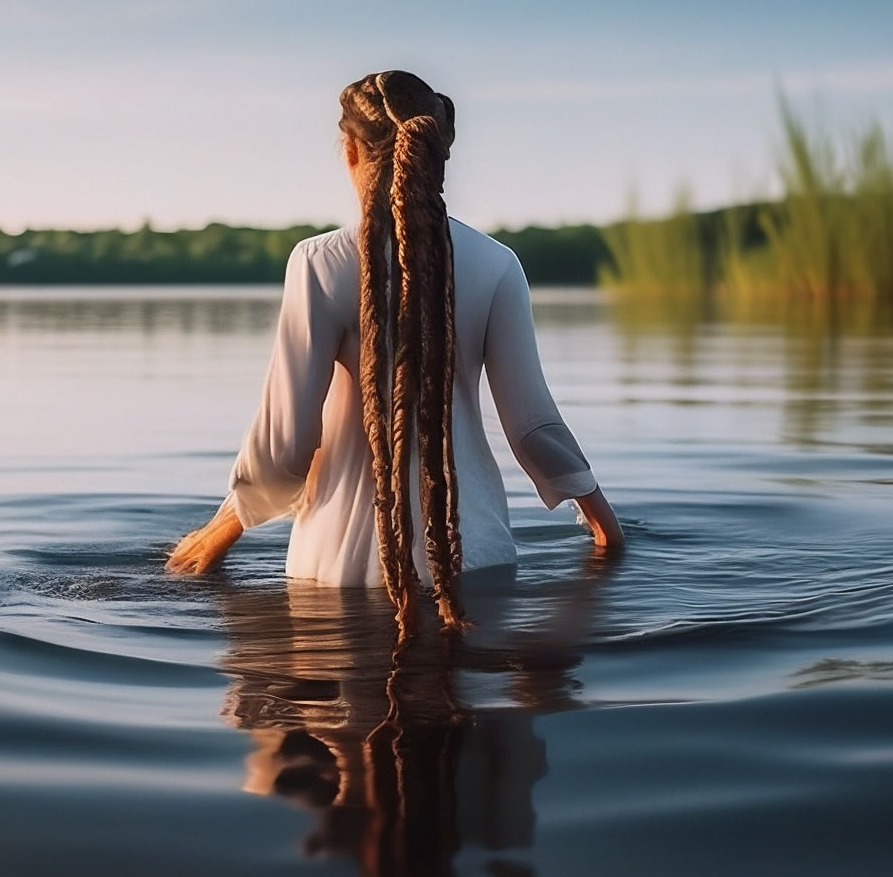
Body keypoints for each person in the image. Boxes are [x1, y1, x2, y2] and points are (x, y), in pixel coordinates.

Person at [166, 70, 623, 640]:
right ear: (438, 154)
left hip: (330, 574)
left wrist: (215, 536)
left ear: (351, 150)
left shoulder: (320, 261)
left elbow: (286, 442)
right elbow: (533, 429)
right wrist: (608, 533)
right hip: (476, 563)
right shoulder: (497, 264)